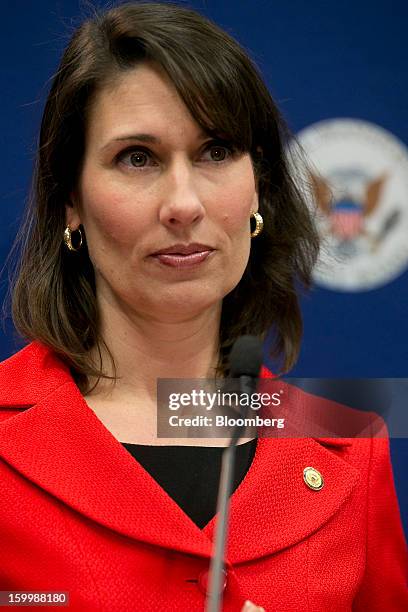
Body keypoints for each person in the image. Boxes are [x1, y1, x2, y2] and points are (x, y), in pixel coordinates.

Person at [0, 2, 406, 611]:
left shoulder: (349, 450)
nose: (183, 204)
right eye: (137, 157)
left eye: (216, 151)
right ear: (71, 204)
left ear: (258, 190)